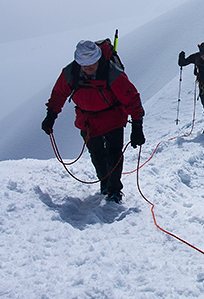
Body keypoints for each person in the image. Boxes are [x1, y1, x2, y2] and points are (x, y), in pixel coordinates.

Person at [42, 40, 145, 203]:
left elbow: (131, 98)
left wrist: (137, 126)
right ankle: (105, 183)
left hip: (113, 119)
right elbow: (59, 94)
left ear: (98, 60)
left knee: (114, 154)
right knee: (97, 154)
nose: (88, 70)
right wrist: (51, 116)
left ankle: (114, 190)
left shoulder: (112, 72)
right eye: (84, 66)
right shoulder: (71, 72)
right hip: (88, 121)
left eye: (91, 66)